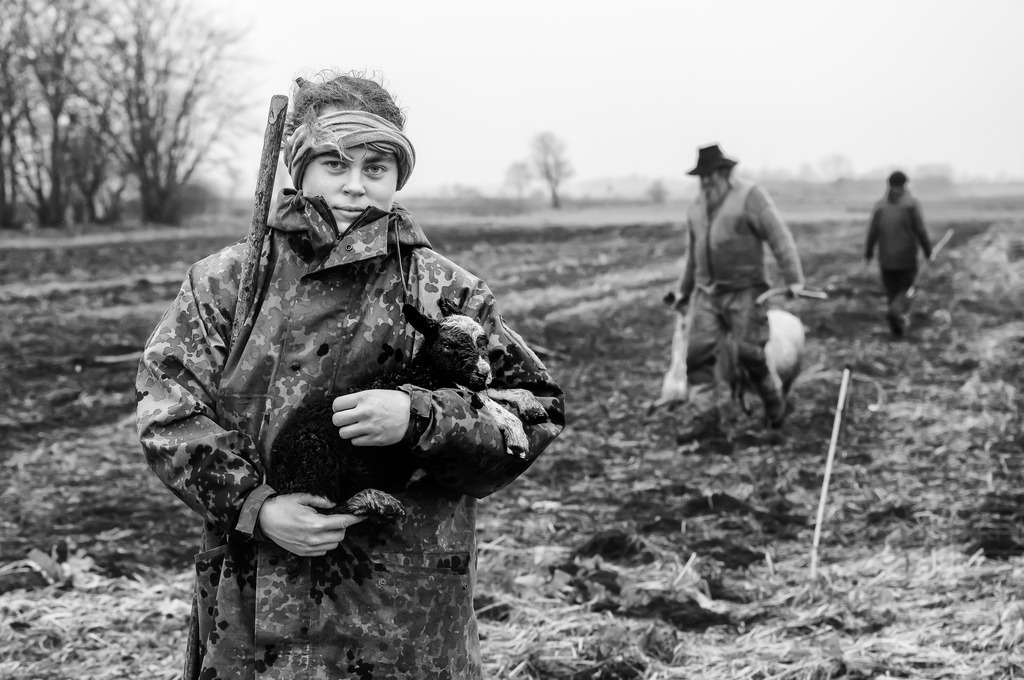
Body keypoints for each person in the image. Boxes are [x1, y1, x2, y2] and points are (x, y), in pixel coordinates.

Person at [135, 70, 564, 680]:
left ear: (398, 177)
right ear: (299, 168)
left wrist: (421, 417)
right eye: (335, 165)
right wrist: (257, 506)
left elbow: (535, 410)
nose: (355, 186)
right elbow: (167, 410)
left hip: (406, 615)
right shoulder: (226, 283)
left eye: (376, 168)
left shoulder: (447, 290)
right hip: (255, 609)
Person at [665, 143, 805, 432]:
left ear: (726, 172)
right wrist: (684, 292)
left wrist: (793, 278)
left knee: (750, 356)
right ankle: (706, 420)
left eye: (710, 175)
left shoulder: (750, 197)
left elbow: (779, 236)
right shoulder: (696, 208)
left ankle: (775, 408)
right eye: (701, 176)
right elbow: (693, 257)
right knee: (697, 357)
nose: (705, 181)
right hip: (706, 293)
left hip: (745, 290)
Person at [864, 170, 932, 337]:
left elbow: (872, 233)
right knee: (904, 293)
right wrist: (928, 252)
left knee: (892, 293)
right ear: (905, 185)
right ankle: (896, 316)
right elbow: (921, 231)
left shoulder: (879, 206)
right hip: (906, 260)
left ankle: (897, 331)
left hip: (886, 260)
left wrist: (868, 254)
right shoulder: (911, 205)